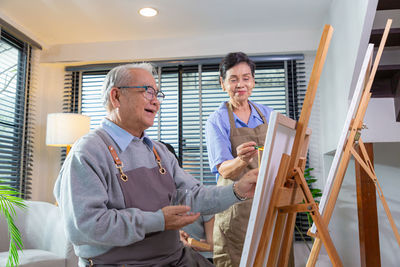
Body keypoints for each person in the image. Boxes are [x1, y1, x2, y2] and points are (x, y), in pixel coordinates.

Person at [53, 63, 259, 267]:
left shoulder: (159, 152)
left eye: (157, 94)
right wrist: (158, 221)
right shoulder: (88, 152)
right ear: (116, 96)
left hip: (176, 259)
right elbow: (86, 226)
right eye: (147, 91)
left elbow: (194, 196)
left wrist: (237, 190)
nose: (156, 102)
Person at [205, 52, 274, 267]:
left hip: (268, 207)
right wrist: (241, 160)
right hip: (236, 210)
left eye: (246, 78)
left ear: (253, 81)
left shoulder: (268, 115)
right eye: (233, 79)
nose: (240, 84)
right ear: (223, 84)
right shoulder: (217, 120)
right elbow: (224, 170)